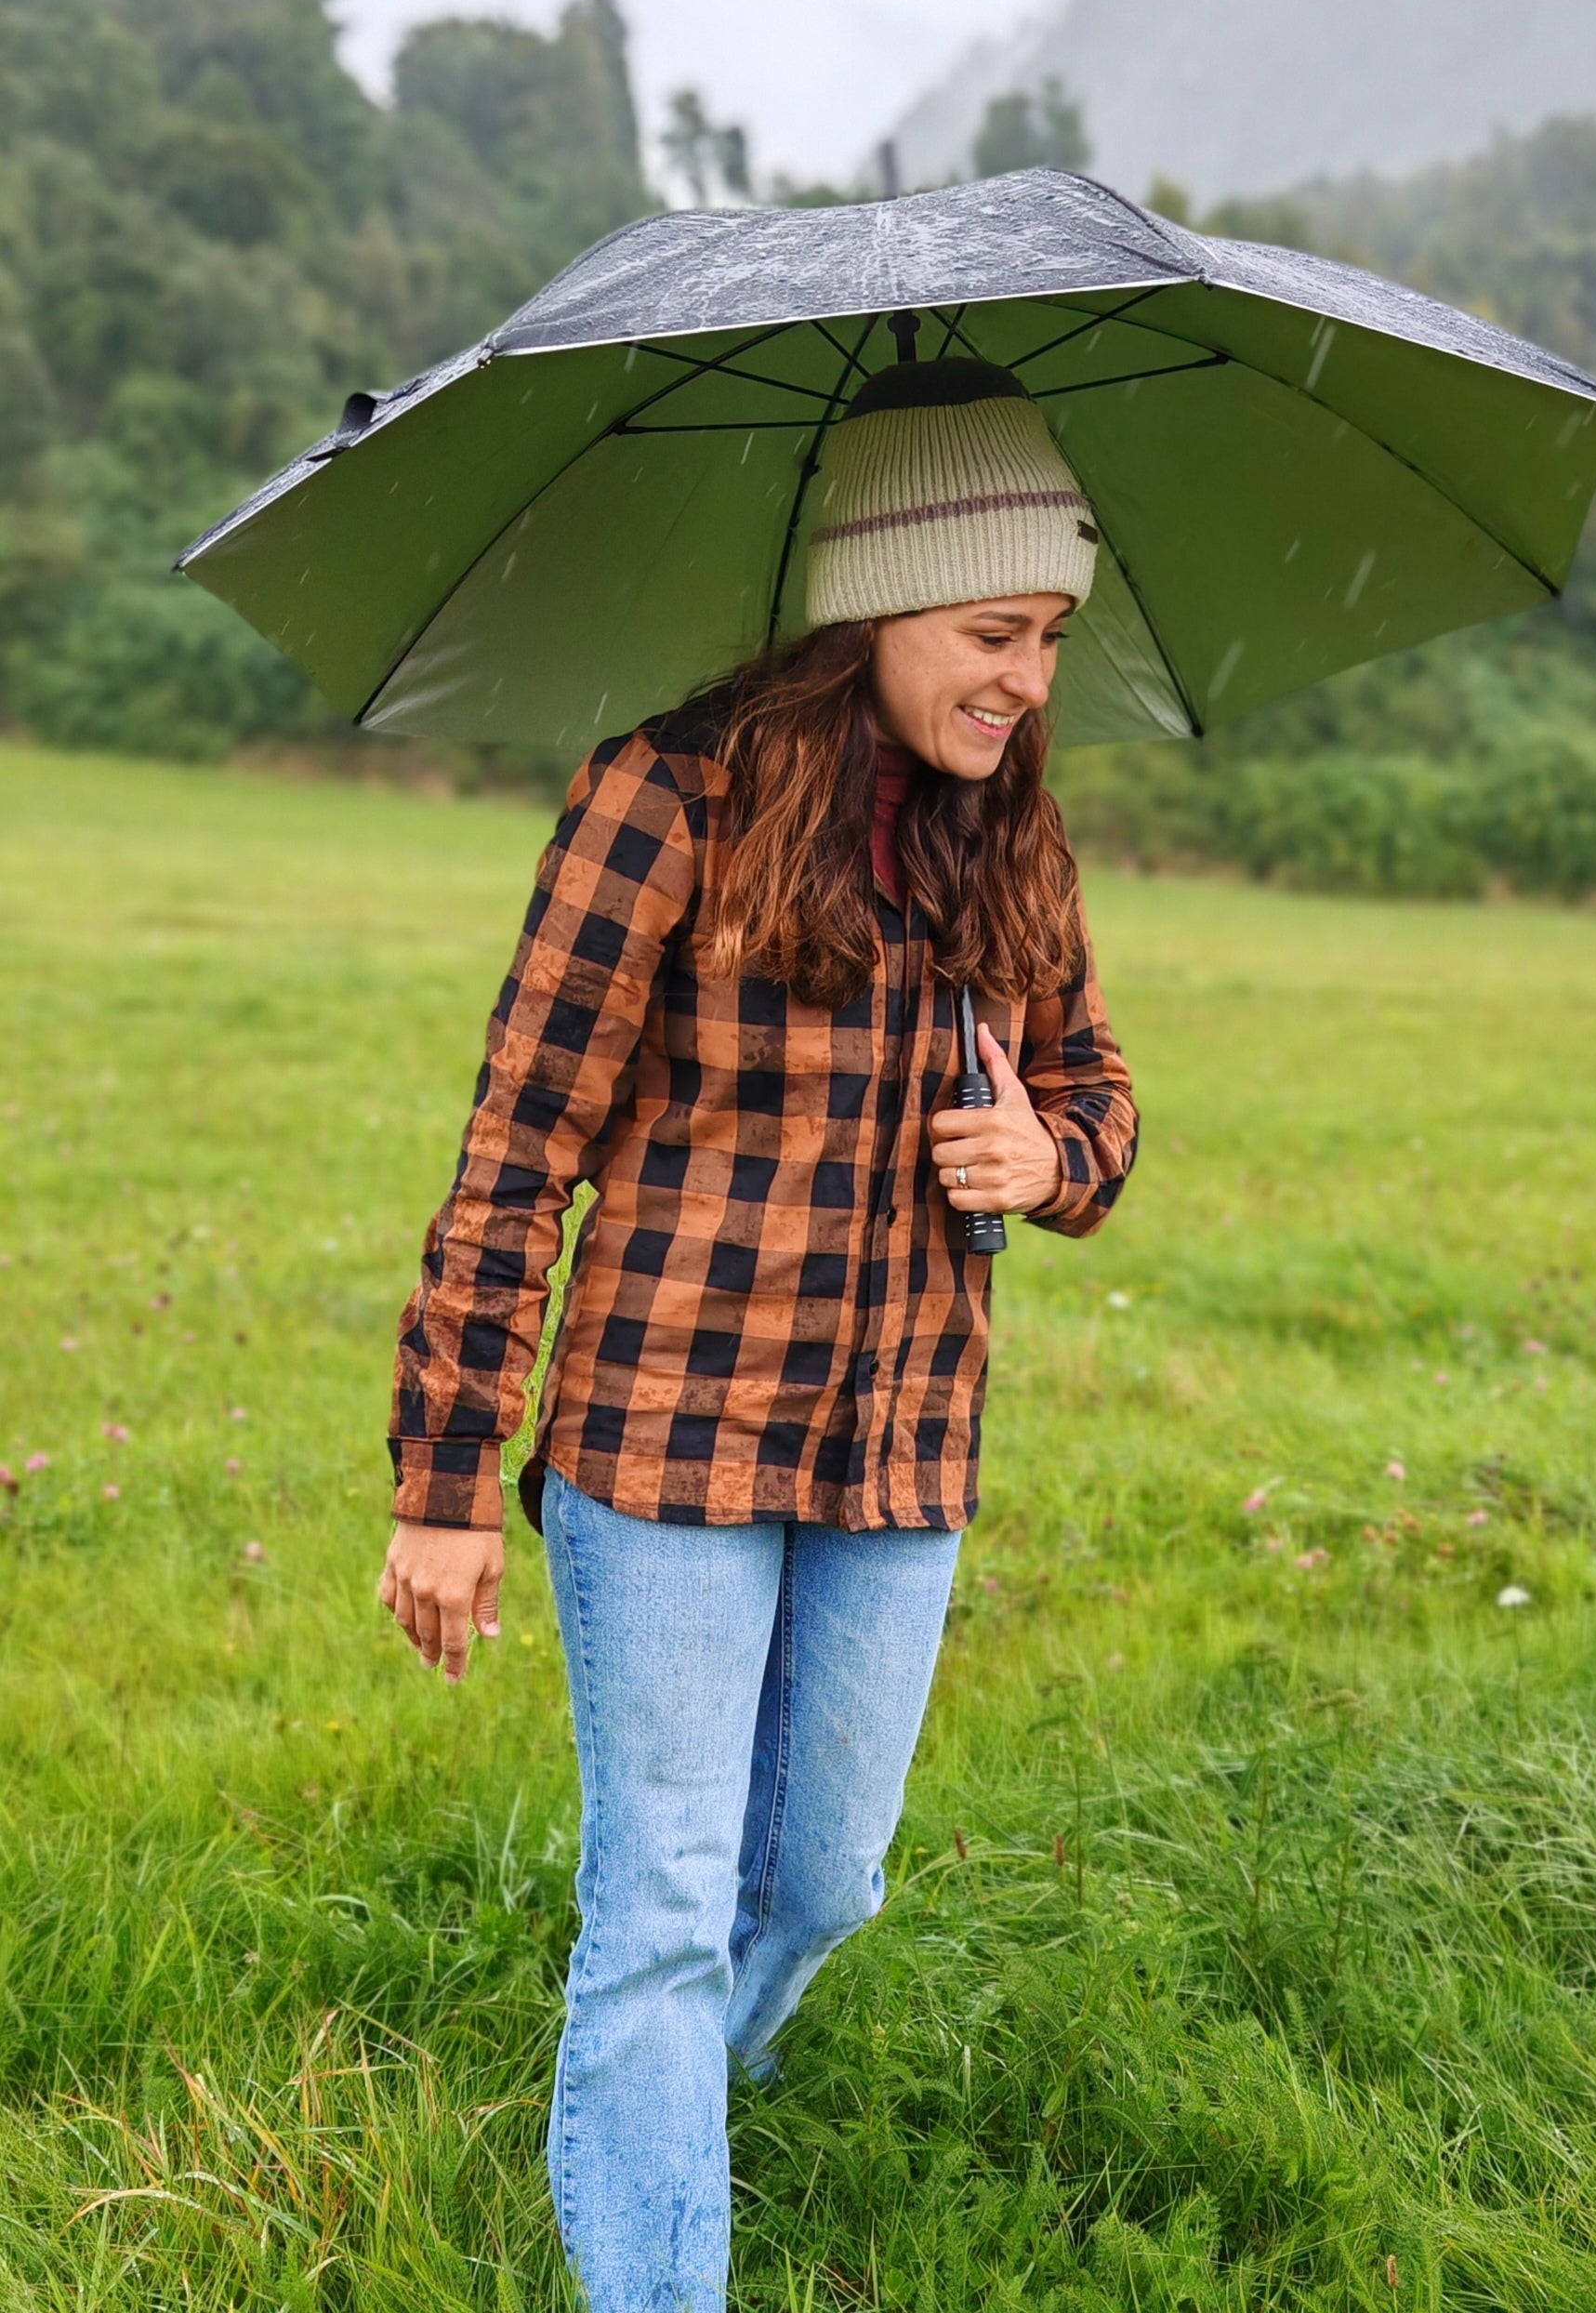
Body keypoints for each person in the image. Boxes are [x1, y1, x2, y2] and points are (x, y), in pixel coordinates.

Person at [376, 352, 1139, 2310]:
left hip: (902, 1451)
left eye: (1051, 637)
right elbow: (518, 1147)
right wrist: (448, 1480)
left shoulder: (1012, 834)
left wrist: (1047, 1156)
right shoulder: (666, 795)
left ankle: (669, 2096)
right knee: (657, 1900)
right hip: (665, 1443)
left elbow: (1099, 1096)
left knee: (825, 1879)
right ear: (879, 600)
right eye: (994, 633)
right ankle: (658, 2243)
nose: (1028, 679)